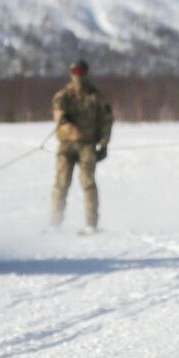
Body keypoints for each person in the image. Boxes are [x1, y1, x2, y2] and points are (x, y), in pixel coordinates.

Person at [50, 58, 114, 232]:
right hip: (66, 145)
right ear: (71, 73)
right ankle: (55, 223)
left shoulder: (95, 96)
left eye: (82, 72)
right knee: (61, 183)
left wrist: (104, 144)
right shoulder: (65, 94)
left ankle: (91, 224)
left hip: (87, 145)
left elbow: (107, 120)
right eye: (76, 72)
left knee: (88, 183)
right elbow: (57, 109)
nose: (79, 75)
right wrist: (62, 118)